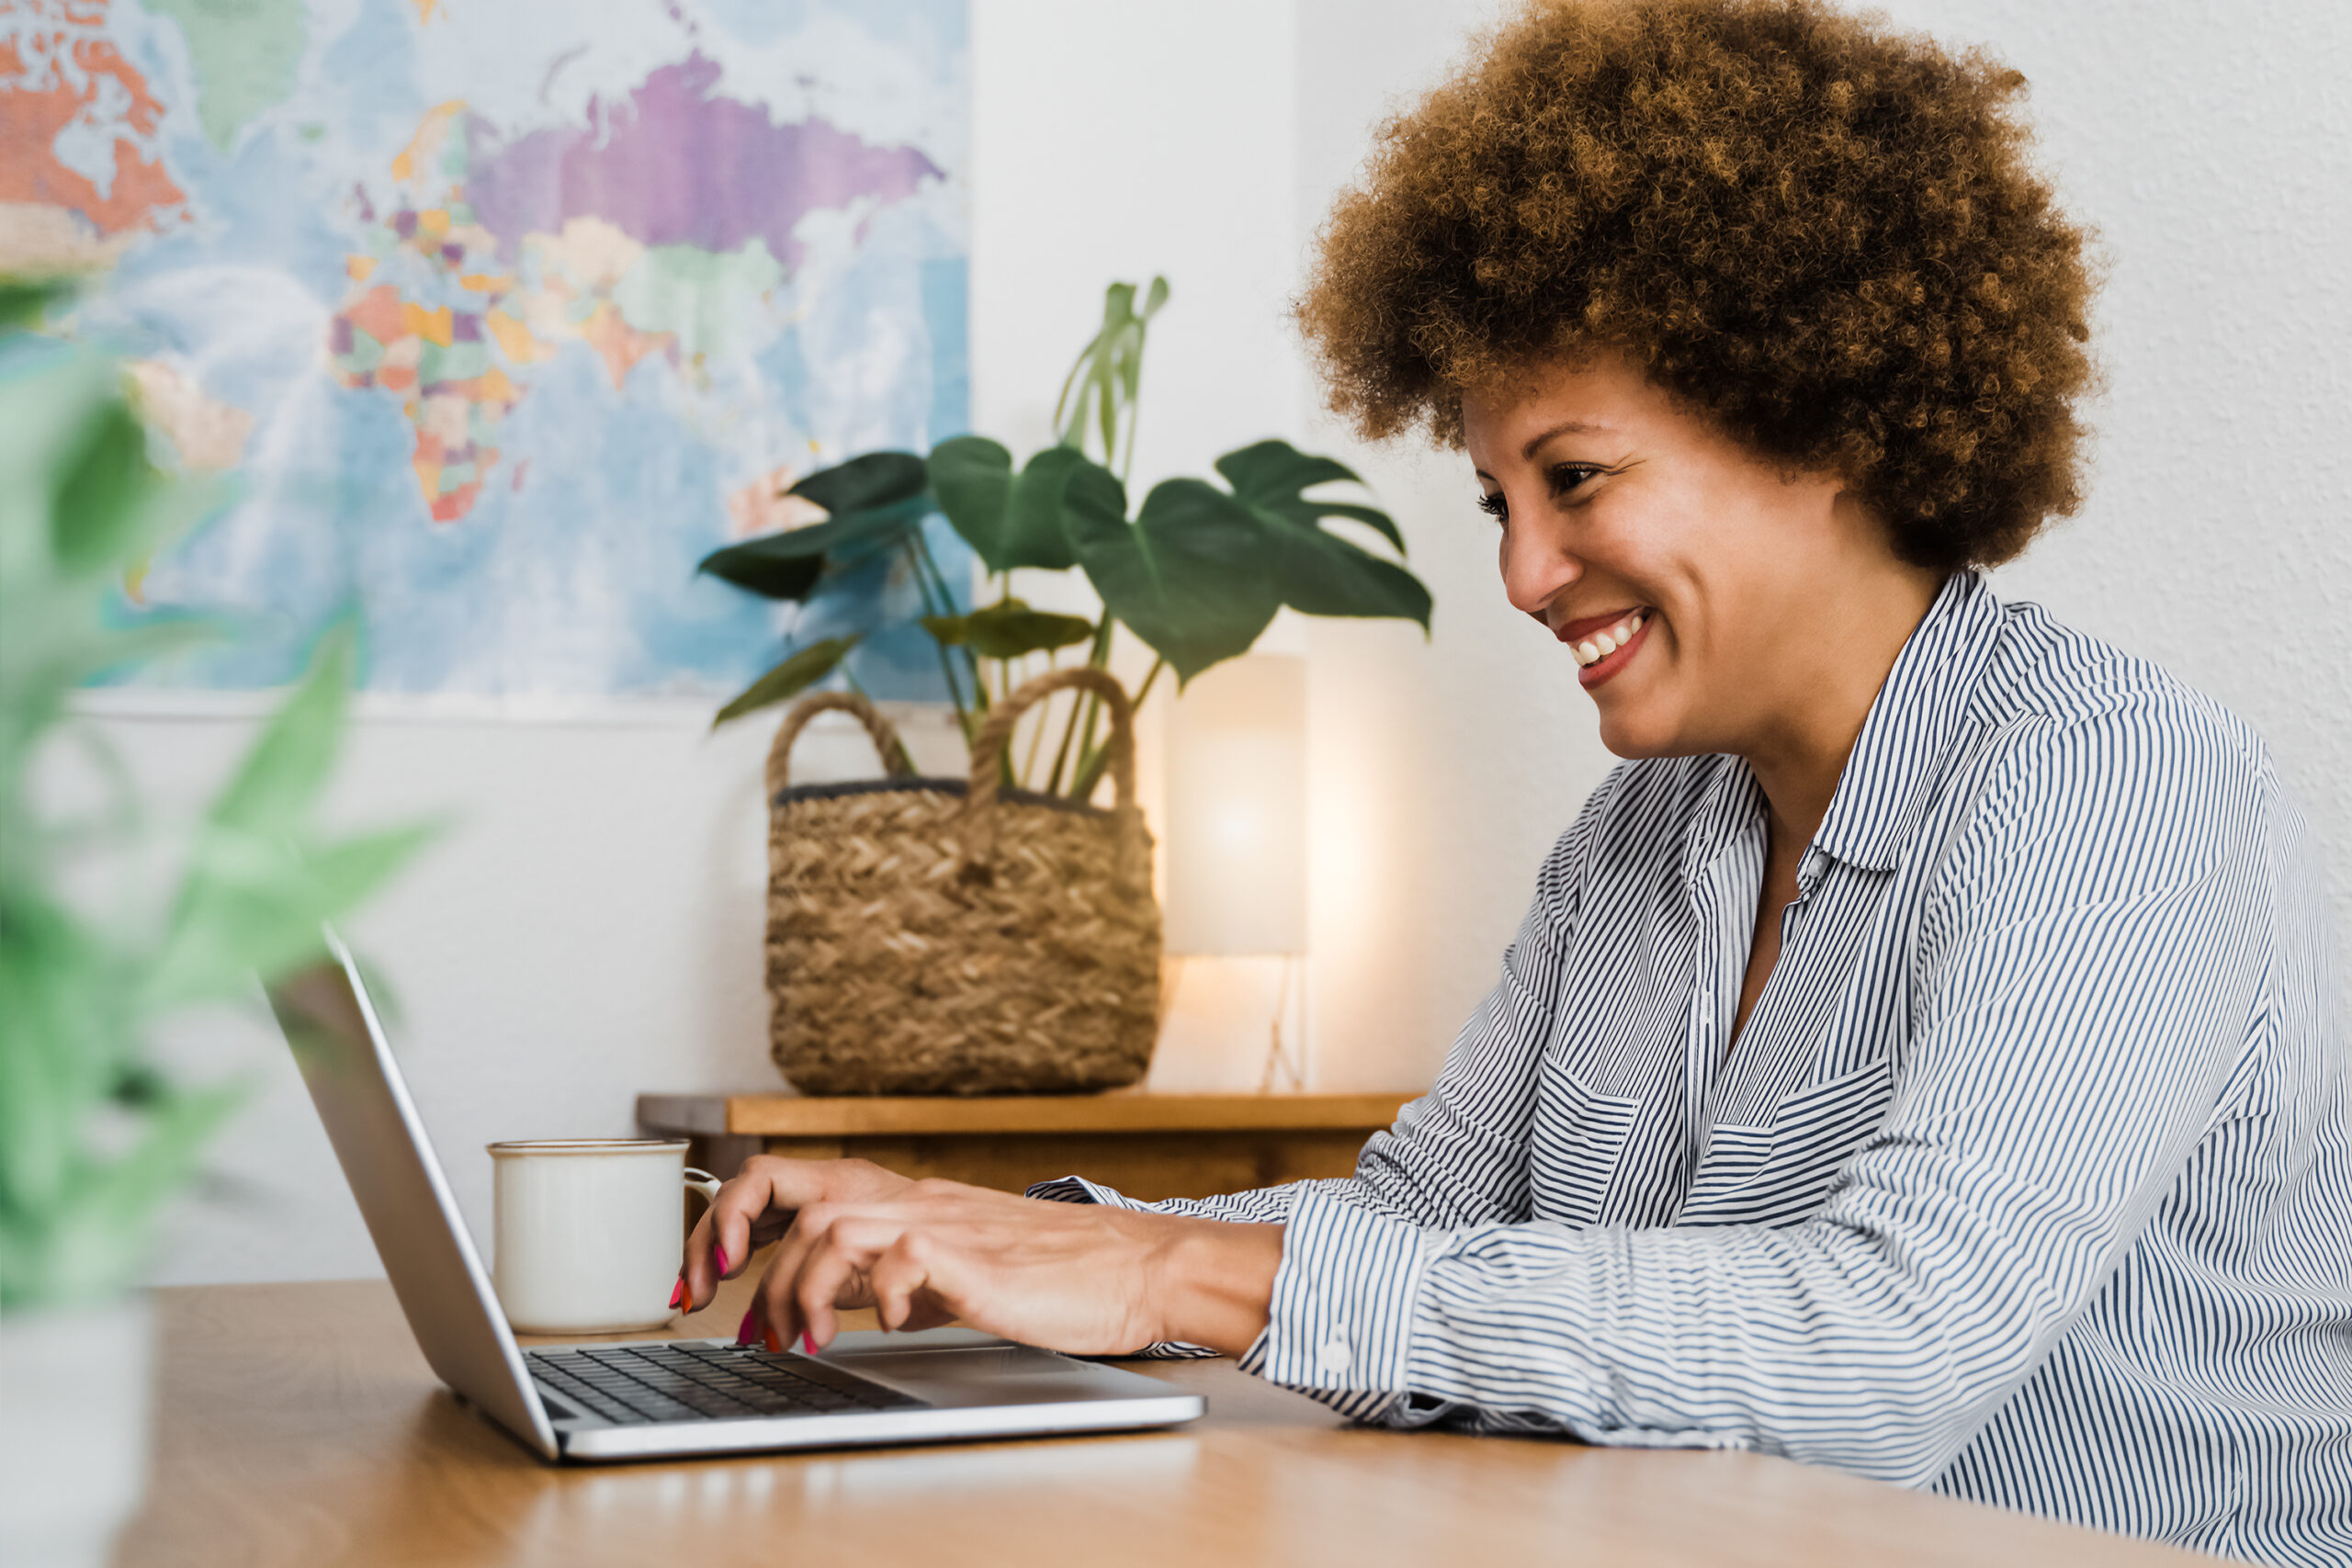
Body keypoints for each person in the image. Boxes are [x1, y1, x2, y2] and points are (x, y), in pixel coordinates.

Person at [678, 0, 2351, 1557]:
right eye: (1498, 501)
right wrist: (990, 1233)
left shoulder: (2113, 789)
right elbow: (1421, 1217)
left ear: (1824, 422)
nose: (1525, 574)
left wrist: (1168, 1271)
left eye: (1576, 480)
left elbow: (1886, 1357)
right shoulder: (1642, 835)